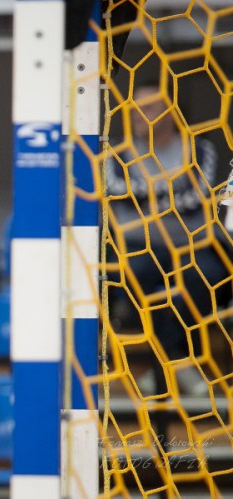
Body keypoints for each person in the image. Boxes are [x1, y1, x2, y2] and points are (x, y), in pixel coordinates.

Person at [105, 79, 231, 395]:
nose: (139, 115)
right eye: (134, 109)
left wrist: (146, 198)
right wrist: (170, 193)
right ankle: (179, 363)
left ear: (171, 111)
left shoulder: (199, 149)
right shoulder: (117, 153)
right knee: (131, 277)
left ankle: (164, 366)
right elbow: (118, 191)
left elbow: (196, 196)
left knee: (208, 275)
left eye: (149, 108)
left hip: (191, 245)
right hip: (139, 247)